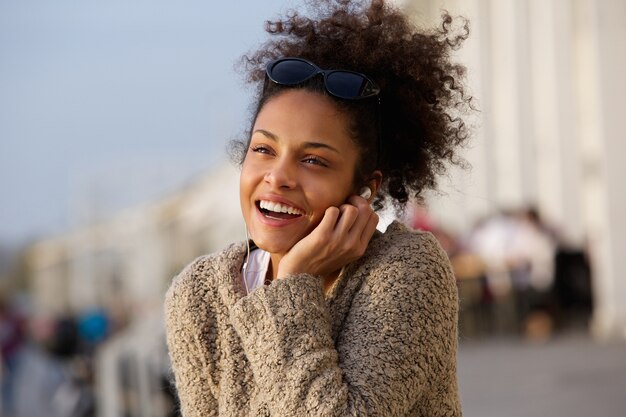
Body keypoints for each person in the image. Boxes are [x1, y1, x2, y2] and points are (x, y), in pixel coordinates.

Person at [164, 0, 471, 415]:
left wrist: (293, 281)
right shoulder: (198, 296)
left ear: (364, 188)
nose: (278, 176)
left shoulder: (407, 269)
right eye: (263, 149)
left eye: (314, 160)